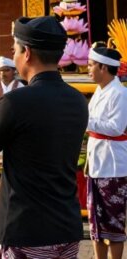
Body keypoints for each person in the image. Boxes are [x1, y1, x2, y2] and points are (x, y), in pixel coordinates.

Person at [0, 16, 88, 258]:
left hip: (28, 228)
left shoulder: (15, 102)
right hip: (67, 225)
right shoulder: (77, 100)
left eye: (16, 50)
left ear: (27, 53)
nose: (15, 56)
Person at [85, 43, 127, 259]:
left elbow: (116, 128)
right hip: (96, 164)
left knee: (113, 223)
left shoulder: (120, 94)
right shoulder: (100, 92)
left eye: (91, 65)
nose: (88, 69)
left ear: (103, 67)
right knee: (96, 223)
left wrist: (85, 120)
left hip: (113, 166)